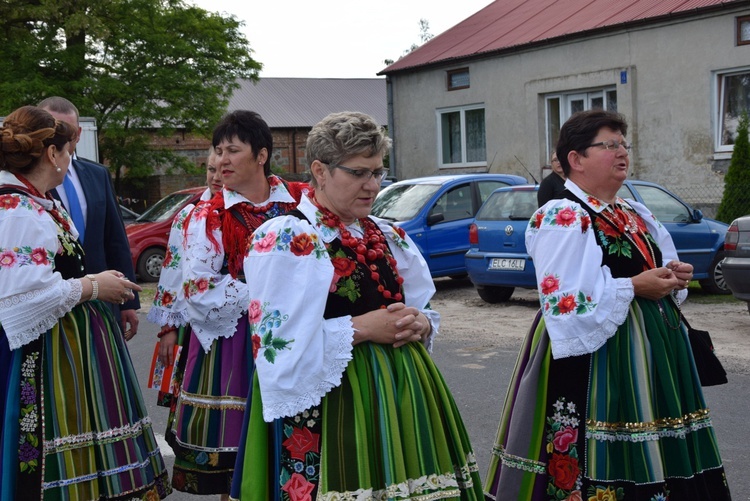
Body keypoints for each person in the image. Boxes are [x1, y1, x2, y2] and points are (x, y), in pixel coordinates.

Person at [231, 111, 484, 500]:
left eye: (378, 173)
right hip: (334, 401)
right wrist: (363, 328)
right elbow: (279, 346)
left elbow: (418, 303)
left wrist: (421, 323)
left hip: (400, 392)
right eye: (358, 173)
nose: (372, 186)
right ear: (320, 170)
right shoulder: (289, 237)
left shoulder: (384, 232)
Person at [484, 110, 731, 500]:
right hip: (597, 355)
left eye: (623, 145)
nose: (622, 153)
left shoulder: (633, 213)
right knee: (598, 449)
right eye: (609, 145)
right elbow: (565, 300)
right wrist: (635, 285)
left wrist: (671, 275)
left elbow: (650, 267)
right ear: (576, 159)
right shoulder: (563, 215)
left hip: (653, 352)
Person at [0, 106, 170, 499]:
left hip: (71, 349)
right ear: (51, 155)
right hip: (45, 357)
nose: (69, 160)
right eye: (66, 151)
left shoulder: (36, 202)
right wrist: (93, 286)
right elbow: (21, 301)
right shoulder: (18, 211)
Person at [150, 110, 306, 498]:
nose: (221, 161)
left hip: (298, 334)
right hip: (237, 343)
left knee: (295, 447)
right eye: (218, 151)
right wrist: (266, 294)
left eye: (232, 151)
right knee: (237, 458)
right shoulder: (208, 215)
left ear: (262, 155)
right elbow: (199, 288)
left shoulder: (301, 201)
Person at [38, 97, 140, 341]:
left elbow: (115, 240)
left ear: (79, 134)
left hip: (104, 301)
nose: (61, 137)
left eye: (67, 131)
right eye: (54, 130)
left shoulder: (98, 174)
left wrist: (129, 301)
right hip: (54, 307)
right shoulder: (30, 185)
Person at [147, 148, 221, 416]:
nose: (216, 177)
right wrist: (168, 328)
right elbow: (173, 270)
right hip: (193, 320)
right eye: (211, 170)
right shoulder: (189, 214)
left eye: (222, 170)